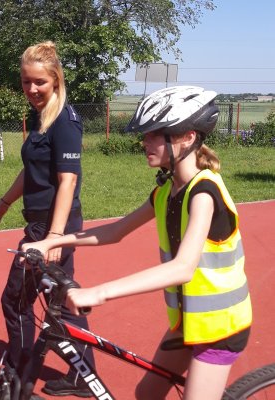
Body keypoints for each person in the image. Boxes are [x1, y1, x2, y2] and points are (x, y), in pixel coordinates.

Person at [22, 86, 252, 400]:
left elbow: (182, 269)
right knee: (146, 394)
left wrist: (99, 292)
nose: (144, 141)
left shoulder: (204, 192)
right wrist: (52, 242)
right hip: (190, 323)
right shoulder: (167, 191)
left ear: (186, 137)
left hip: (221, 329)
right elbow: (114, 231)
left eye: (155, 134)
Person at [0, 41, 94, 398]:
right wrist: (3, 202)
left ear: (56, 80)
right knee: (60, 299)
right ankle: (83, 376)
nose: (31, 89)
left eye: (39, 83)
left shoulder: (64, 120)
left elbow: (68, 180)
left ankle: (15, 378)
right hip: (43, 226)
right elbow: (31, 170)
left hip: (50, 228)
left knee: (15, 301)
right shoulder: (41, 115)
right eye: (26, 82)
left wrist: (54, 236)